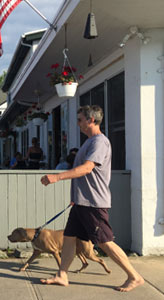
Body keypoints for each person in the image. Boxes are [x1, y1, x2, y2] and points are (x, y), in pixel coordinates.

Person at [40, 105, 144, 292]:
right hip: (81, 202)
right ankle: (62, 275)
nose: (77, 123)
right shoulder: (89, 142)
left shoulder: (99, 142)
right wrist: (76, 196)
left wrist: (57, 177)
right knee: (69, 237)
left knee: (104, 241)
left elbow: (87, 168)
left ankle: (134, 276)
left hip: (93, 203)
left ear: (91, 120)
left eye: (80, 120)